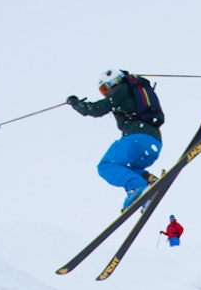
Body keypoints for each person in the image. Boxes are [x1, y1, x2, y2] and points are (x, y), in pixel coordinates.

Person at [67, 69, 163, 211]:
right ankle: (147, 183)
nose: (106, 93)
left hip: (135, 139)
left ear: (115, 82)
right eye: (102, 91)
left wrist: (75, 103)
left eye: (105, 88)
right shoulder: (135, 91)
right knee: (126, 168)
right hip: (153, 143)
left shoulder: (121, 90)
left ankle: (136, 187)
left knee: (106, 166)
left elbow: (96, 109)